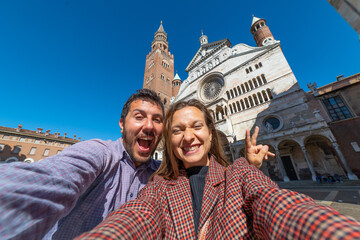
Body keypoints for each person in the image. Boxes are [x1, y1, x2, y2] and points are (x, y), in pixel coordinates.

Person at [0, 90, 270, 240]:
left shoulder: (163, 175)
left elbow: (270, 203)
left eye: (156, 120)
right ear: (121, 124)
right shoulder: (100, 154)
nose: (148, 127)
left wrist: (249, 166)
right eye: (139, 117)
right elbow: (46, 183)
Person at [76, 99, 360, 239]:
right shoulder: (159, 186)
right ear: (169, 141)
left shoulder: (239, 173)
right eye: (177, 130)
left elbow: (276, 204)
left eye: (196, 126)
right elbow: (135, 219)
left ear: (211, 134)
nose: (188, 137)